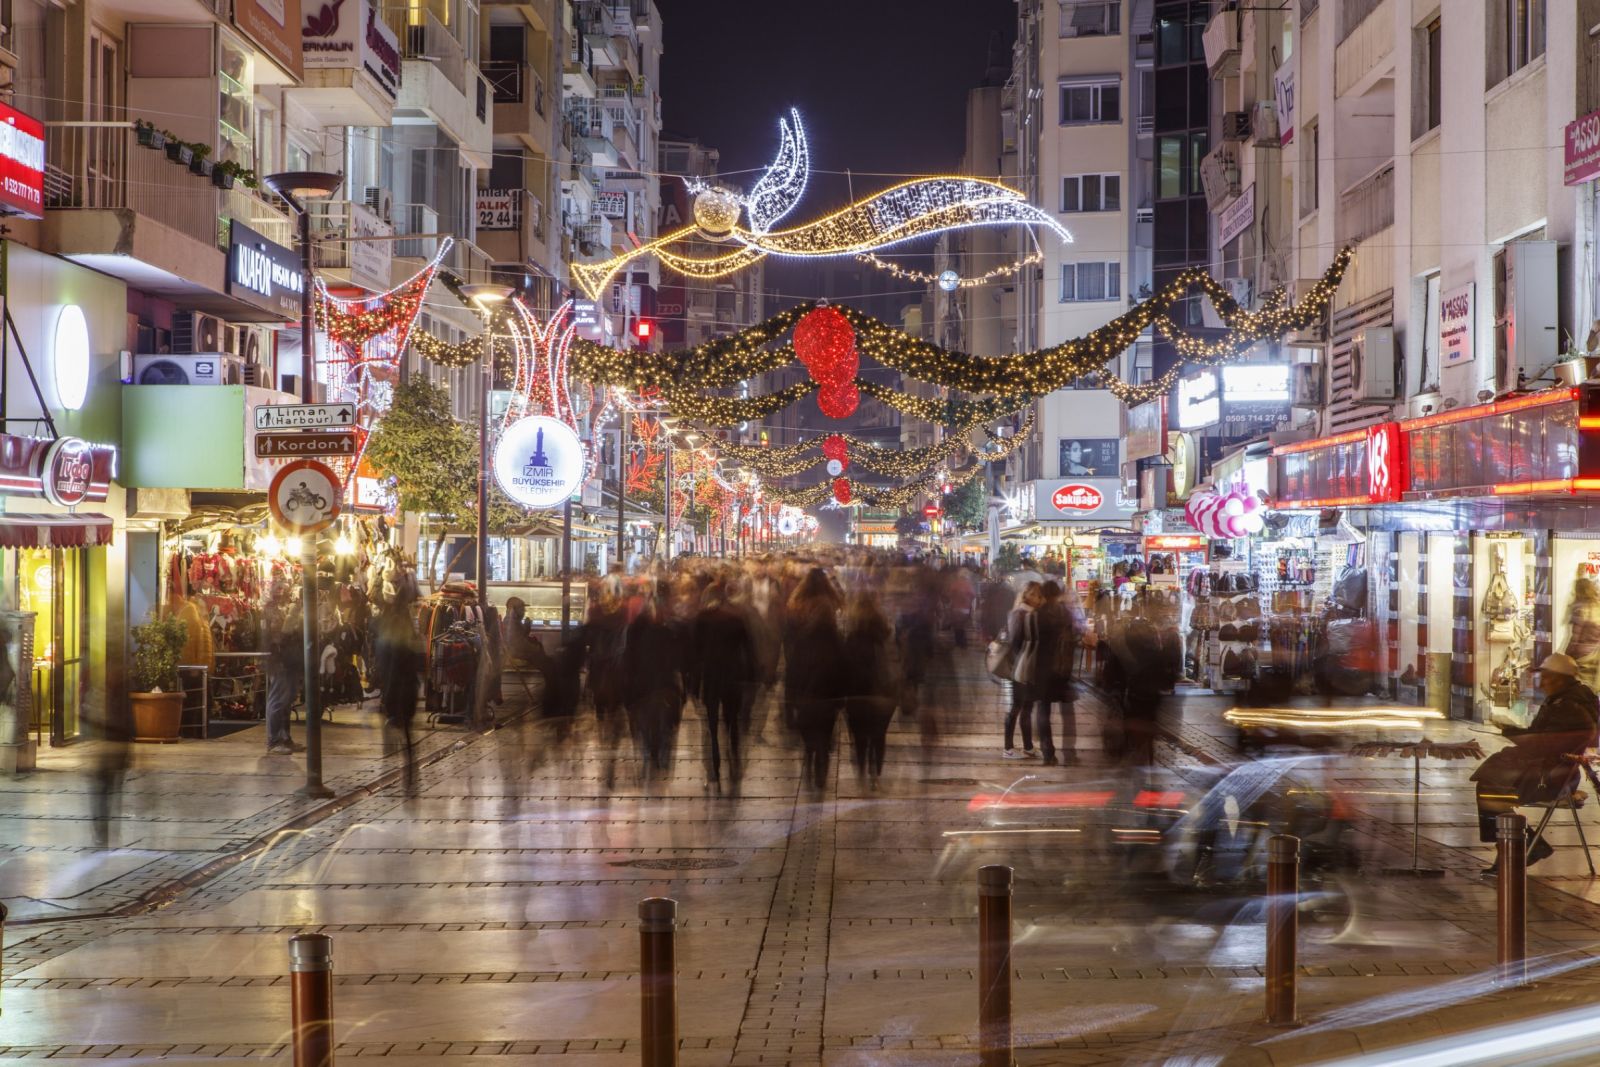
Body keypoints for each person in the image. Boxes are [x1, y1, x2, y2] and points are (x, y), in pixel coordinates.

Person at [1472, 653, 1600, 873]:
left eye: (1546, 676)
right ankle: (1520, 846)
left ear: (1559, 678)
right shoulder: (1566, 700)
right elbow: (1544, 737)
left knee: (1490, 790)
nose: (1541, 681)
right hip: (1552, 772)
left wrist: (1513, 733)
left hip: (1551, 777)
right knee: (1490, 783)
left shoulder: (1569, 706)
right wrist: (1516, 732)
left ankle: (1519, 848)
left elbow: (1545, 744)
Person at [694, 579, 758, 791]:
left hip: (711, 678)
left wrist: (692, 685)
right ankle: (734, 759)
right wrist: (752, 676)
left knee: (711, 727)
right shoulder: (735, 619)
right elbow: (749, 651)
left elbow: (694, 654)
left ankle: (714, 769)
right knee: (732, 723)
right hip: (732, 677)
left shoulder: (702, 619)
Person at [787, 567, 844, 790]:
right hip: (828, 683)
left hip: (805, 679)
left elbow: (792, 664)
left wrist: (789, 699)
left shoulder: (797, 604)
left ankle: (811, 754)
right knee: (826, 726)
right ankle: (821, 763)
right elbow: (842, 662)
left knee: (808, 724)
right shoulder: (833, 628)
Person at [842, 594, 898, 785]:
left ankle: (861, 771)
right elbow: (895, 661)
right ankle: (876, 772)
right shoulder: (885, 635)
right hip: (882, 694)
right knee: (879, 734)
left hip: (857, 695)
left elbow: (844, 668)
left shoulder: (851, 638)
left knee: (859, 736)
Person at [372, 580, 423, 794]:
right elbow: (418, 663)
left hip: (396, 689)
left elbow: (384, 664)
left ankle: (403, 773)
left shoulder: (386, 629)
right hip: (406, 689)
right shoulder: (408, 634)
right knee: (407, 735)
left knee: (400, 730)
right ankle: (410, 778)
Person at [1033, 581, 1080, 766]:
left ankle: (1048, 753)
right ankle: (1070, 753)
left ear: (1043, 594)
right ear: (1059, 594)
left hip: (1044, 668)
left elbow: (1033, 642)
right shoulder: (1066, 613)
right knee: (1068, 713)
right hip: (1063, 669)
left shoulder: (1038, 615)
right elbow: (1074, 638)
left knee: (1043, 711)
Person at [262, 576, 303, 756]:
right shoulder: (269, 609)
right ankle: (274, 740)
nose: (282, 592)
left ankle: (285, 737)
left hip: (289, 658)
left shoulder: (286, 607)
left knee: (287, 698)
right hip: (277, 657)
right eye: (279, 588)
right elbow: (275, 633)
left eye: (285, 588)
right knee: (278, 698)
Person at [1002, 582, 1043, 759]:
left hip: (1026, 667)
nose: (1039, 599)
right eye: (1035, 595)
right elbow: (1017, 642)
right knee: (1018, 707)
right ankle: (1008, 748)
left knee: (1026, 706)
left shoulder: (1028, 614)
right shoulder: (1021, 614)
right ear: (1027, 595)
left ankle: (1028, 746)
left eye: (1040, 596)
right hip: (1020, 667)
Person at [1567, 578, 1600, 689]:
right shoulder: (1597, 607)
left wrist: (1567, 654)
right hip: (1595, 654)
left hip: (1581, 655)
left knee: (1579, 687)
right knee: (1591, 688)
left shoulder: (1579, 608)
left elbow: (1575, 637)